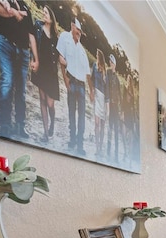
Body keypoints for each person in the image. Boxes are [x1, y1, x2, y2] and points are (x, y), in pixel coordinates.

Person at [0, 0, 39, 139]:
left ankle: (20, 125)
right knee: (7, 81)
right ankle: (5, 124)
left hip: (23, 51)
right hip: (5, 43)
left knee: (21, 90)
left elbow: (31, 34)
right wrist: (14, 13)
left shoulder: (25, 6)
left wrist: (36, 58)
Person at [56, 17, 92, 156]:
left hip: (82, 85)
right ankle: (72, 139)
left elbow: (87, 74)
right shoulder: (64, 37)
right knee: (72, 112)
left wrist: (91, 91)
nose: (79, 33)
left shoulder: (82, 50)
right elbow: (61, 58)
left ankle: (80, 144)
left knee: (82, 115)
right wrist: (65, 79)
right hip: (71, 81)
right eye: (78, 29)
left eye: (81, 31)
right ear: (72, 26)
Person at [30, 5, 59, 144]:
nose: (44, 14)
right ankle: (46, 133)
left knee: (50, 103)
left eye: (46, 12)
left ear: (52, 18)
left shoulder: (55, 36)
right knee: (42, 101)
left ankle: (52, 122)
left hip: (52, 73)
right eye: (43, 12)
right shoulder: (38, 27)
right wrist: (33, 60)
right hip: (42, 70)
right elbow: (32, 42)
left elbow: (59, 55)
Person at [91, 49, 107, 156]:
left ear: (100, 57)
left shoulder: (105, 71)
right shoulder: (94, 66)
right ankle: (97, 147)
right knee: (96, 123)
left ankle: (100, 146)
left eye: (97, 55)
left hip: (103, 98)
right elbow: (92, 80)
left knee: (102, 124)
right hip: (96, 95)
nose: (96, 56)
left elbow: (107, 88)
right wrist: (92, 92)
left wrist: (107, 103)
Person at [106, 54, 121, 161]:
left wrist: (120, 109)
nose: (110, 64)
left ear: (115, 64)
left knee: (116, 129)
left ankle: (115, 153)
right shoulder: (108, 73)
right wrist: (107, 103)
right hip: (110, 105)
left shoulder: (117, 79)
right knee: (110, 128)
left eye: (112, 62)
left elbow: (119, 95)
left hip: (116, 107)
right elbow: (106, 88)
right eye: (109, 62)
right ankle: (108, 150)